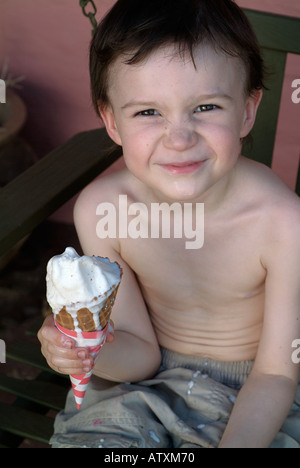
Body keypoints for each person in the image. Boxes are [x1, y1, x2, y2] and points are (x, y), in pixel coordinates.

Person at [38, 0, 300, 448]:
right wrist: (85, 349)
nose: (179, 138)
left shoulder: (282, 223)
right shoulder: (104, 210)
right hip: (136, 391)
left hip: (255, 397)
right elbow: (138, 356)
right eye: (147, 112)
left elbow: (276, 373)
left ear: (248, 111)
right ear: (111, 121)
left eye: (206, 107)